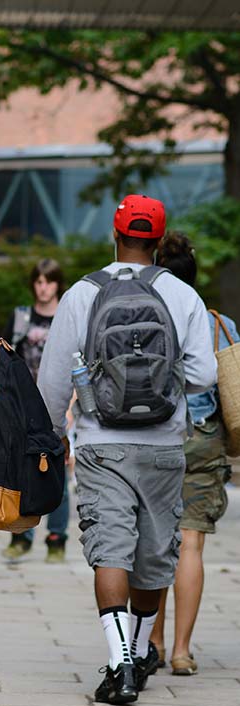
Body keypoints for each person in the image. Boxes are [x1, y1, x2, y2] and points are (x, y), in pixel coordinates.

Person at [38, 195, 217, 705]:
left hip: (101, 443)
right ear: (158, 243)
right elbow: (204, 374)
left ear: (114, 236)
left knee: (109, 552)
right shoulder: (182, 295)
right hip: (164, 445)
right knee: (153, 554)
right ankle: (139, 652)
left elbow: (54, 380)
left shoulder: (82, 293)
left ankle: (120, 667)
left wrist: (53, 436)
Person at [150, 232, 238, 676]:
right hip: (204, 439)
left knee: (155, 542)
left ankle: (155, 640)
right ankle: (182, 650)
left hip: (157, 436)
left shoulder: (146, 316)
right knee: (191, 544)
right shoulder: (218, 323)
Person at [1, 259, 70, 563]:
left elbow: (77, 362)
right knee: (20, 468)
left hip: (59, 402)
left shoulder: (67, 318)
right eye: (39, 281)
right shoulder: (21, 317)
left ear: (58, 284)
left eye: (49, 281)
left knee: (59, 471)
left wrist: (72, 405)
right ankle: (21, 534)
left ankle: (57, 539)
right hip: (23, 404)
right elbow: (4, 356)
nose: (43, 287)